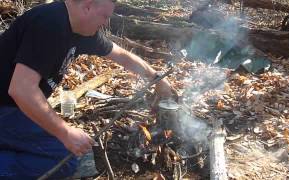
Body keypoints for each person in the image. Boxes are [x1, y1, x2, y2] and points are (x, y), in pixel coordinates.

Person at [0, 0, 174, 179]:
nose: (106, 23)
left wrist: (156, 78)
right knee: (67, 159)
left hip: (14, 108)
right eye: (105, 16)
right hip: (6, 109)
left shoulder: (80, 30)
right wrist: (65, 132)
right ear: (87, 6)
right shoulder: (50, 23)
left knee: (71, 152)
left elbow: (121, 55)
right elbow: (22, 90)